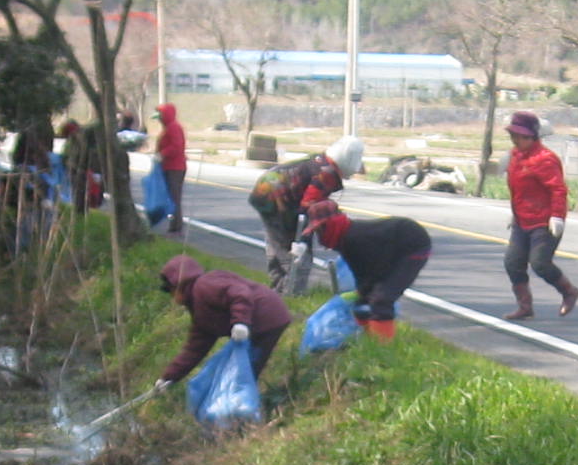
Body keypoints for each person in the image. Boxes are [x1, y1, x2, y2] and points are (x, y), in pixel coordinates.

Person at [152, 254, 292, 392]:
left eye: (171, 291)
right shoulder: (199, 312)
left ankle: (240, 407)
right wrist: (169, 377)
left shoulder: (205, 285)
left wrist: (240, 322)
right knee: (238, 371)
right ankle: (236, 405)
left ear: (179, 286)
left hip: (268, 316)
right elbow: (194, 350)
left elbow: (240, 293)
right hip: (255, 325)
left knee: (246, 369)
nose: (172, 297)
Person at [303, 197, 430, 342]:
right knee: (364, 298)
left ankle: (382, 349)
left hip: (413, 247)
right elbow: (361, 272)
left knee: (382, 299)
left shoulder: (354, 238)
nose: (319, 236)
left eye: (320, 229)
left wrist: (367, 290)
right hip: (390, 251)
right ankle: (366, 339)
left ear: (330, 225)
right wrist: (362, 293)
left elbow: (374, 270)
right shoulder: (344, 238)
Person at [249, 137, 364, 290]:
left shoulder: (321, 162)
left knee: (277, 242)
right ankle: (290, 293)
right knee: (295, 254)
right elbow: (309, 207)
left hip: (265, 191)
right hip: (279, 199)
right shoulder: (327, 174)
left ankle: (276, 289)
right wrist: (303, 240)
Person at [499, 110, 578, 320]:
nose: (517, 140)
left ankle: (569, 292)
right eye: (514, 136)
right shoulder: (514, 156)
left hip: (544, 222)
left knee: (540, 264)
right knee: (513, 263)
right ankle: (525, 307)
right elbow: (517, 188)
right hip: (522, 220)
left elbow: (558, 190)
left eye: (522, 136)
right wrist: (514, 212)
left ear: (533, 136)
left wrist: (557, 216)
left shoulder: (545, 159)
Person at [150, 101, 188, 233]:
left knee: (174, 196)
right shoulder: (168, 128)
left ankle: (176, 226)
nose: (159, 118)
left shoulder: (174, 127)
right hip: (168, 166)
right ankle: (174, 224)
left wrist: (162, 154)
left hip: (175, 167)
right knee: (170, 196)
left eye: (160, 115)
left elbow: (176, 146)